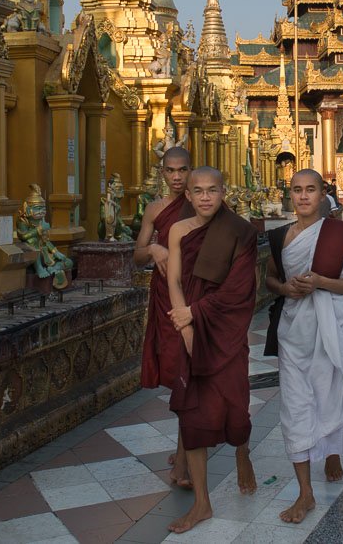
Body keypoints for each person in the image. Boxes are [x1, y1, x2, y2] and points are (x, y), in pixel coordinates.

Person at [265, 169, 343, 524]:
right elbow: (269, 277)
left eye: (311, 189)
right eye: (297, 190)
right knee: (295, 407)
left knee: (328, 395)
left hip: (329, 329)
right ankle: (305, 493)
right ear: (290, 194)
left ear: (323, 193)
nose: (304, 196)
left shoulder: (341, 234)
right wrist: (286, 290)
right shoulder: (280, 236)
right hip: (293, 331)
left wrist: (322, 282)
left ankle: (332, 451)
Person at [166, 167, 258, 533]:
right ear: (187, 195)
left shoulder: (240, 231)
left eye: (212, 191)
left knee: (236, 406)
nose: (205, 197)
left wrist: (195, 313)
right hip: (188, 325)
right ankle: (202, 502)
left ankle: (242, 451)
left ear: (223, 192)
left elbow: (240, 292)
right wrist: (184, 323)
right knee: (192, 412)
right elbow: (174, 279)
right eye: (198, 191)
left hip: (225, 331)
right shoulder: (178, 231)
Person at [136, 147, 194, 486]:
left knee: (190, 375)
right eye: (170, 170)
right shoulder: (155, 209)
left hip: (193, 299)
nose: (176, 177)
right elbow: (136, 255)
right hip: (164, 301)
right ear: (162, 172)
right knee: (177, 372)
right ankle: (184, 446)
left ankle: (184, 459)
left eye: (182, 170)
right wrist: (154, 248)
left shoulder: (202, 205)